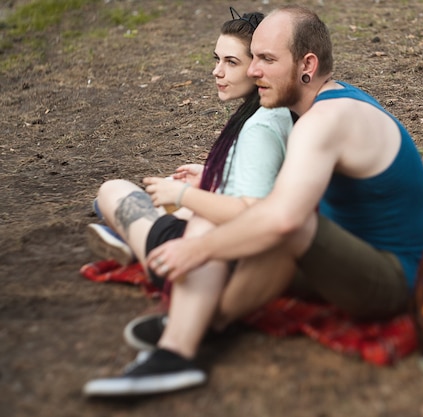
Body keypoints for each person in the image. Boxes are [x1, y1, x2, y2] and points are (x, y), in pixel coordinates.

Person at [84, 5, 423, 397]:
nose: (252, 71)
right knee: (222, 209)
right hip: (341, 257)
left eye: (266, 59)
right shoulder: (309, 110)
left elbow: (285, 219)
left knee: (287, 223)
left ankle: (198, 332)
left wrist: (198, 249)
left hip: (393, 281)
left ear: (307, 65)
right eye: (253, 58)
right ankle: (186, 337)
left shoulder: (326, 119)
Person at [82, 9, 294, 396]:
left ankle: (132, 245)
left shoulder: (260, 125)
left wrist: (182, 194)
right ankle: (133, 234)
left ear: (259, 69)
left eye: (232, 62)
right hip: (228, 249)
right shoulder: (280, 113)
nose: (217, 71)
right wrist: (211, 175)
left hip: (203, 258)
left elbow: (251, 210)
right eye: (217, 60)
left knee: (113, 191)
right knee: (176, 205)